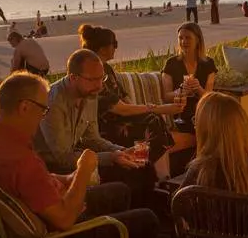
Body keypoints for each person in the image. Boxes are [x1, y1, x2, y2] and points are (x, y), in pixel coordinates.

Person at [0, 71, 158, 238]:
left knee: (120, 191)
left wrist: (65, 179)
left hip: (48, 210)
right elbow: (64, 219)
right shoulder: (20, 160)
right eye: (43, 109)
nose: (43, 116)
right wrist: (84, 169)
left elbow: (28, 184)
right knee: (147, 218)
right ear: (24, 107)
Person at [36, 49, 151, 203]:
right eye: (93, 80)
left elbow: (92, 138)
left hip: (74, 159)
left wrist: (120, 151)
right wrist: (111, 157)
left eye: (101, 78)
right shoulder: (53, 101)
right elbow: (62, 157)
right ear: (73, 78)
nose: (100, 86)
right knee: (121, 178)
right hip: (52, 168)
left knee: (139, 165)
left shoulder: (89, 93)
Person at [79, 25, 188, 180]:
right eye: (114, 44)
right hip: (104, 126)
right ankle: (160, 177)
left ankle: (160, 177)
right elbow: (120, 109)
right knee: (152, 121)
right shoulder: (95, 74)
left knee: (153, 121)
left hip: (119, 120)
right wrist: (159, 108)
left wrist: (140, 111)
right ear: (103, 49)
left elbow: (125, 98)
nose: (116, 48)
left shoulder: (107, 69)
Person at [182, 93, 248, 194]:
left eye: (196, 122)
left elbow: (178, 204)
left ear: (206, 130)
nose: (195, 127)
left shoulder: (202, 173)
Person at [161, 22, 217, 135]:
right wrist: (181, 91)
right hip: (180, 113)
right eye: (180, 38)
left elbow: (209, 97)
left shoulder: (208, 64)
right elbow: (166, 97)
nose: (183, 41)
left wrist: (199, 89)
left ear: (198, 40)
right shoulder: (171, 63)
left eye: (188, 38)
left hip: (202, 111)